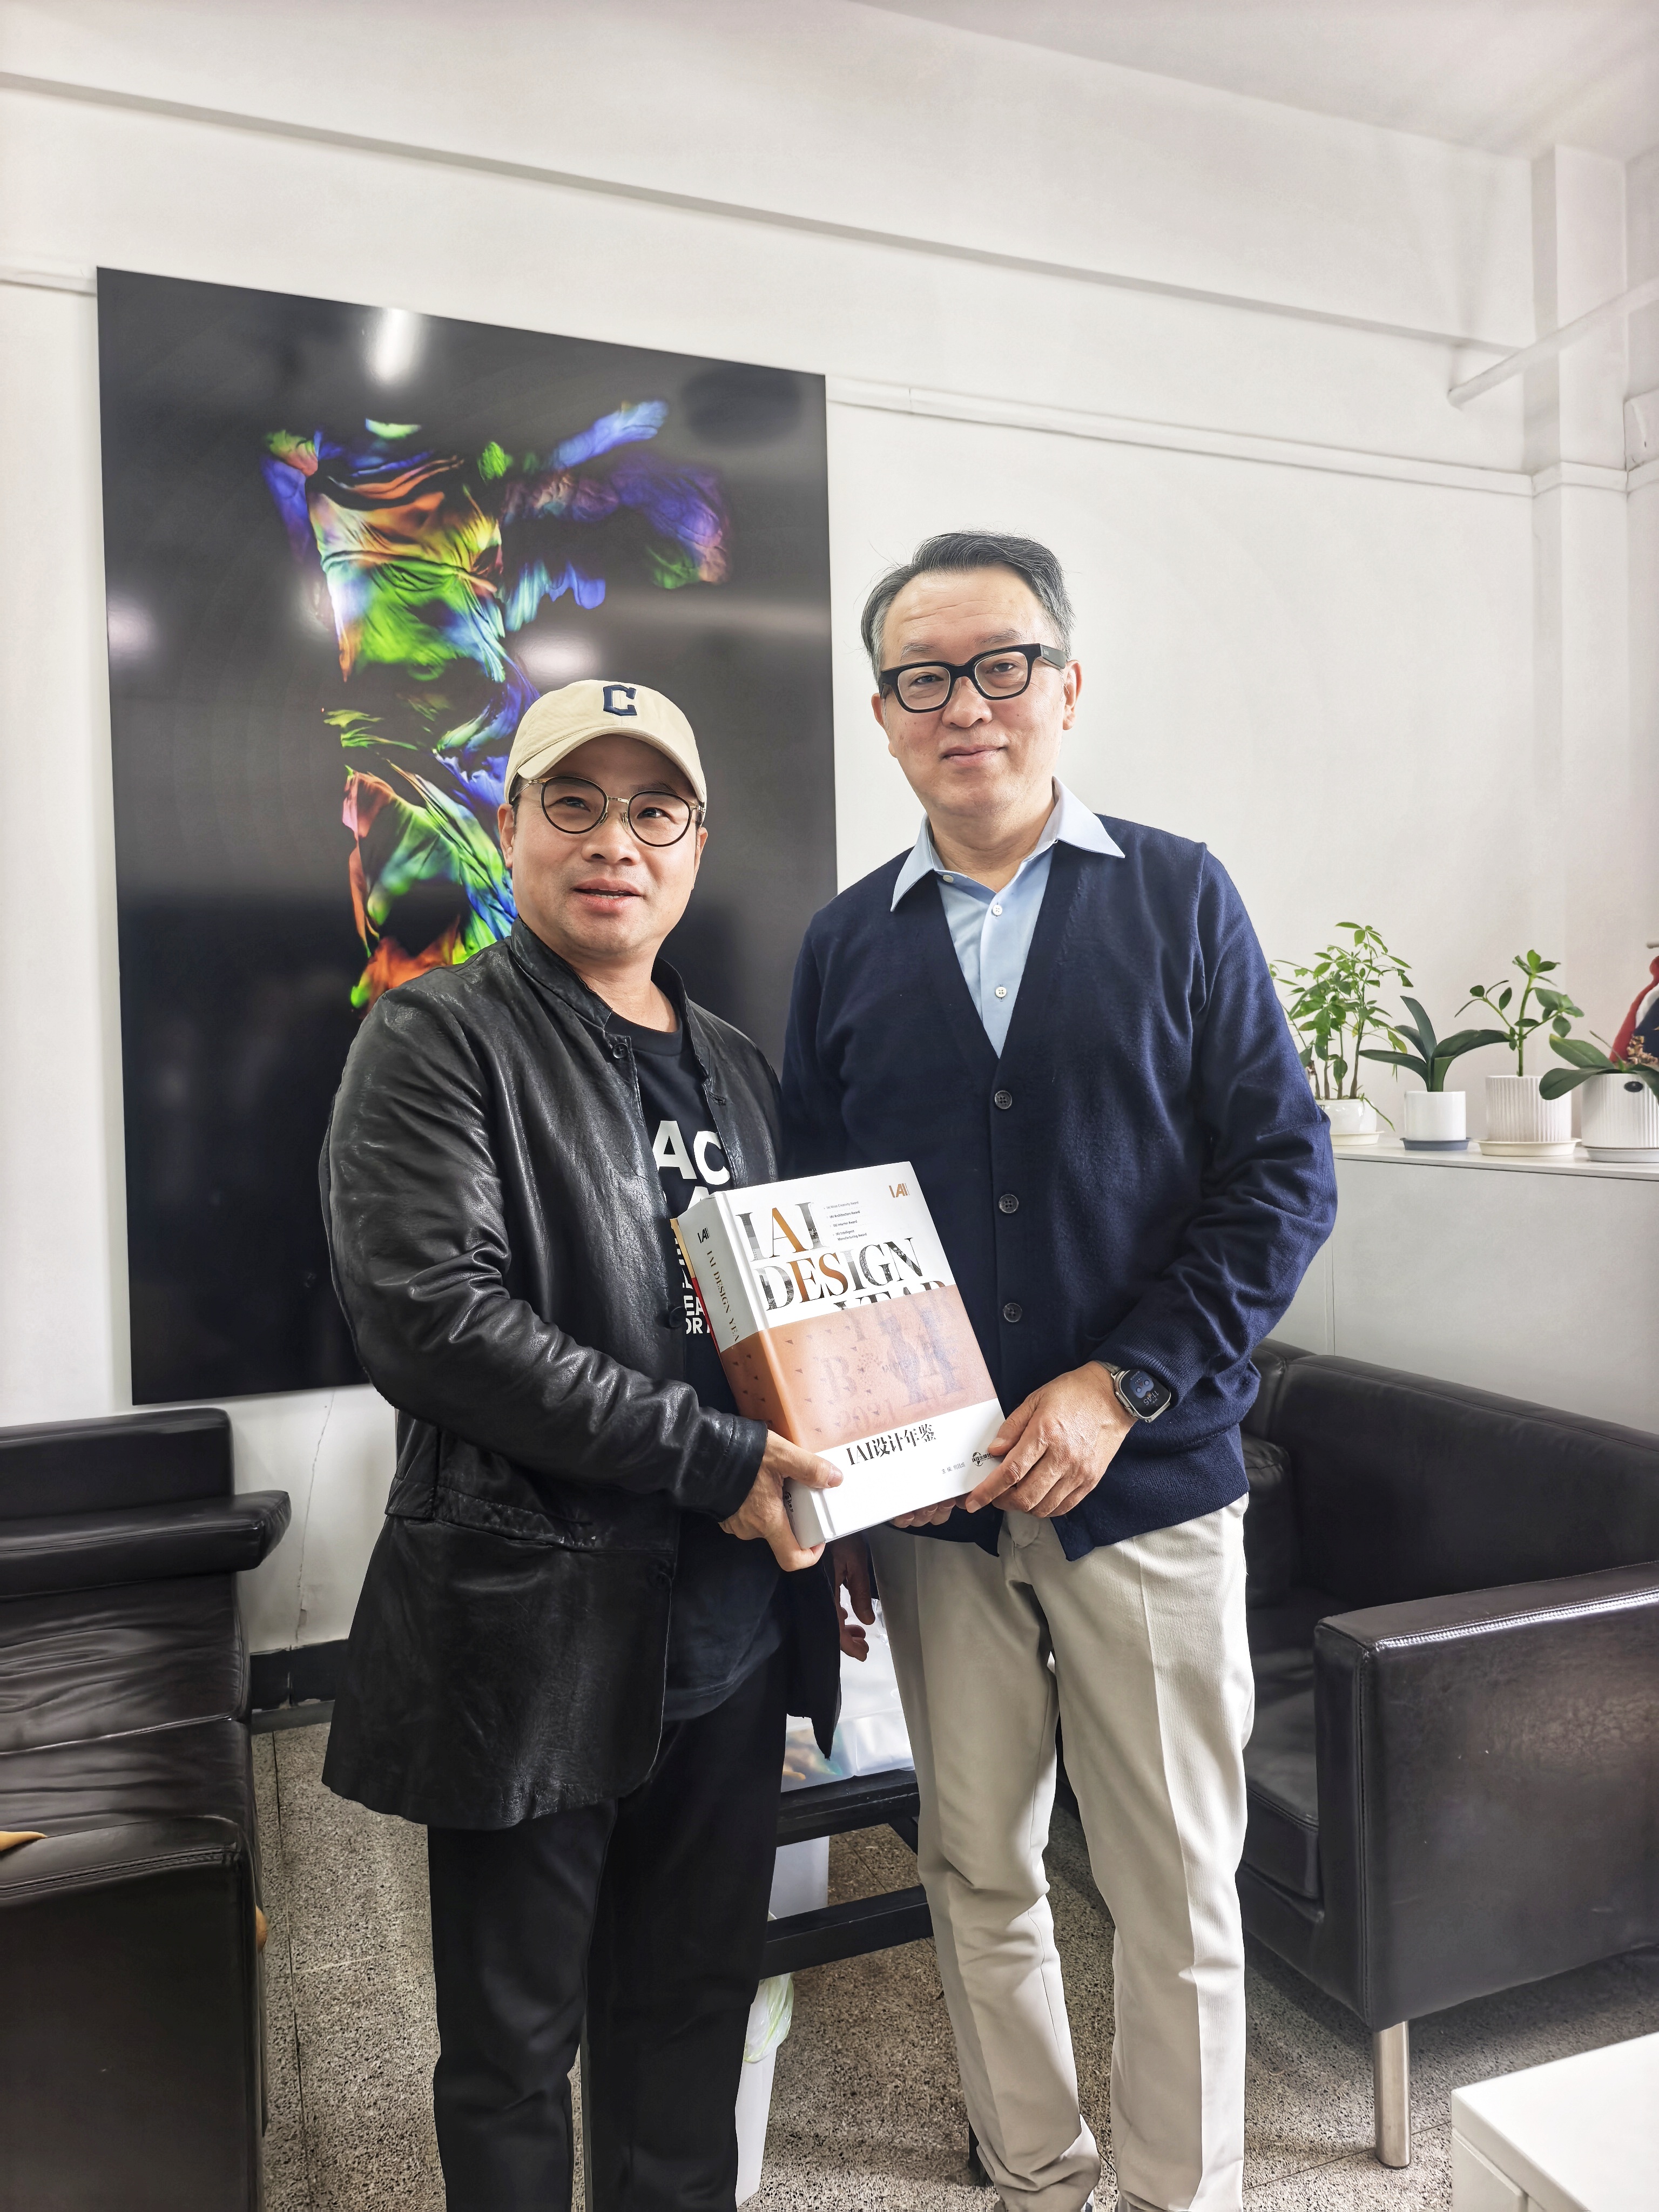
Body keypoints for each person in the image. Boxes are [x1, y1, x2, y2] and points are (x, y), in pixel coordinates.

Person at [783, 533, 1337, 2212]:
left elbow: (1282, 1178)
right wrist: (853, 1483)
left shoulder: (1178, 896)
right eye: (924, 678)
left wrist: (1124, 1386)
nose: (968, 705)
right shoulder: (844, 946)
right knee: (977, 1861)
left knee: (1174, 1885)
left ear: (1067, 687)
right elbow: (815, 1237)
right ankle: (1032, 2165)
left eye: (1002, 665)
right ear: (884, 715)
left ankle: (1177, 2192)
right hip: (937, 1520)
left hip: (1151, 1492)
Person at [319, 677, 842, 2211]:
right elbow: (432, 1321)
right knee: (513, 2048)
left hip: (728, 1635)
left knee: (690, 2016)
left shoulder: (740, 1067)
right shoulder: (434, 1037)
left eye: (654, 811)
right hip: (533, 1636)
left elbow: (788, 1326)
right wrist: (717, 1462)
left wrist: (843, 1489)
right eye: (576, 803)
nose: (617, 842)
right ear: (514, 827)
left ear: (695, 845)